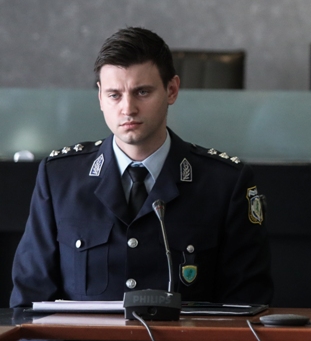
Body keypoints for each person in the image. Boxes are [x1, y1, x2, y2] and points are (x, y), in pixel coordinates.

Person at [10, 27, 273, 307]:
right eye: (114, 95)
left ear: (171, 90)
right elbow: (29, 303)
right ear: (100, 97)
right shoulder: (60, 178)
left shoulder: (224, 183)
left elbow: (247, 306)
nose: (128, 108)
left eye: (142, 92)